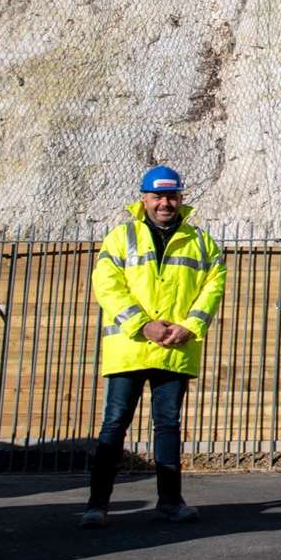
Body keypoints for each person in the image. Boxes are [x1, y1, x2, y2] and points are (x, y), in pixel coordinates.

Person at [82, 165, 225, 528]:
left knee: (168, 426)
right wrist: (141, 325)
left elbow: (213, 287)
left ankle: (171, 502)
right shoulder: (120, 237)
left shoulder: (201, 242)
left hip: (174, 348)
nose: (165, 203)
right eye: (158, 196)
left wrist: (190, 326)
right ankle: (97, 505)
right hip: (130, 347)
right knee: (114, 424)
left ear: (181, 198)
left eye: (172, 196)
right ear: (143, 198)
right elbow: (108, 286)